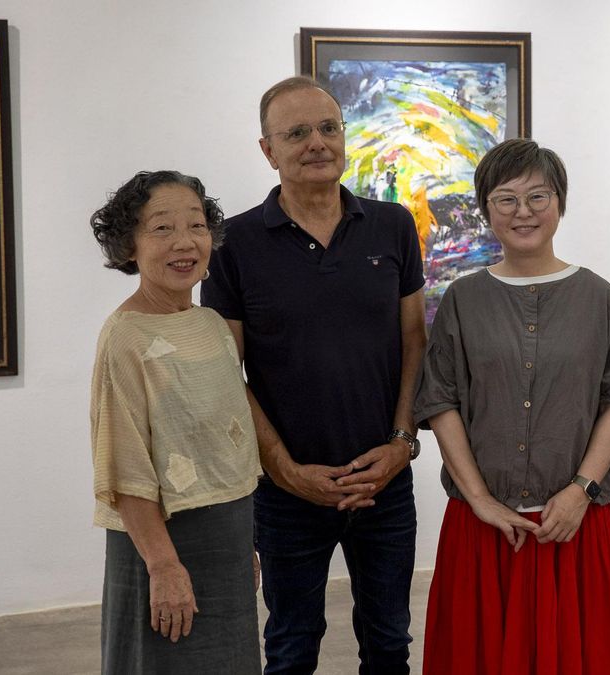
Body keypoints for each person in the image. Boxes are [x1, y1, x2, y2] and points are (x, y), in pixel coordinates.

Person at [201, 76, 427, 674]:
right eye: (297, 133)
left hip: (384, 484)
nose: (316, 143)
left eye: (328, 128)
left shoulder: (392, 225)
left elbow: (414, 342)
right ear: (268, 150)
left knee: (390, 644)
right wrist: (284, 469)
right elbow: (226, 373)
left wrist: (401, 443)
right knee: (291, 647)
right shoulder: (232, 244)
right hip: (286, 494)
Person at [414, 137, 610, 675]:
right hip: (483, 527)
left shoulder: (598, 297)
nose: (523, 212)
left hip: (573, 523)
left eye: (537, 197)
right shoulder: (462, 299)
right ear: (486, 210)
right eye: (506, 199)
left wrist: (580, 490)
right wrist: (480, 500)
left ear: (559, 203)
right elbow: (439, 400)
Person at [89, 170, 262, 673]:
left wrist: (243, 543)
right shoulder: (125, 336)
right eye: (162, 228)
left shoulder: (211, 325)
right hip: (162, 543)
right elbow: (124, 466)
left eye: (196, 226)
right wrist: (163, 567)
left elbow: (226, 442)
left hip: (226, 536)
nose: (184, 242)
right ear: (129, 244)